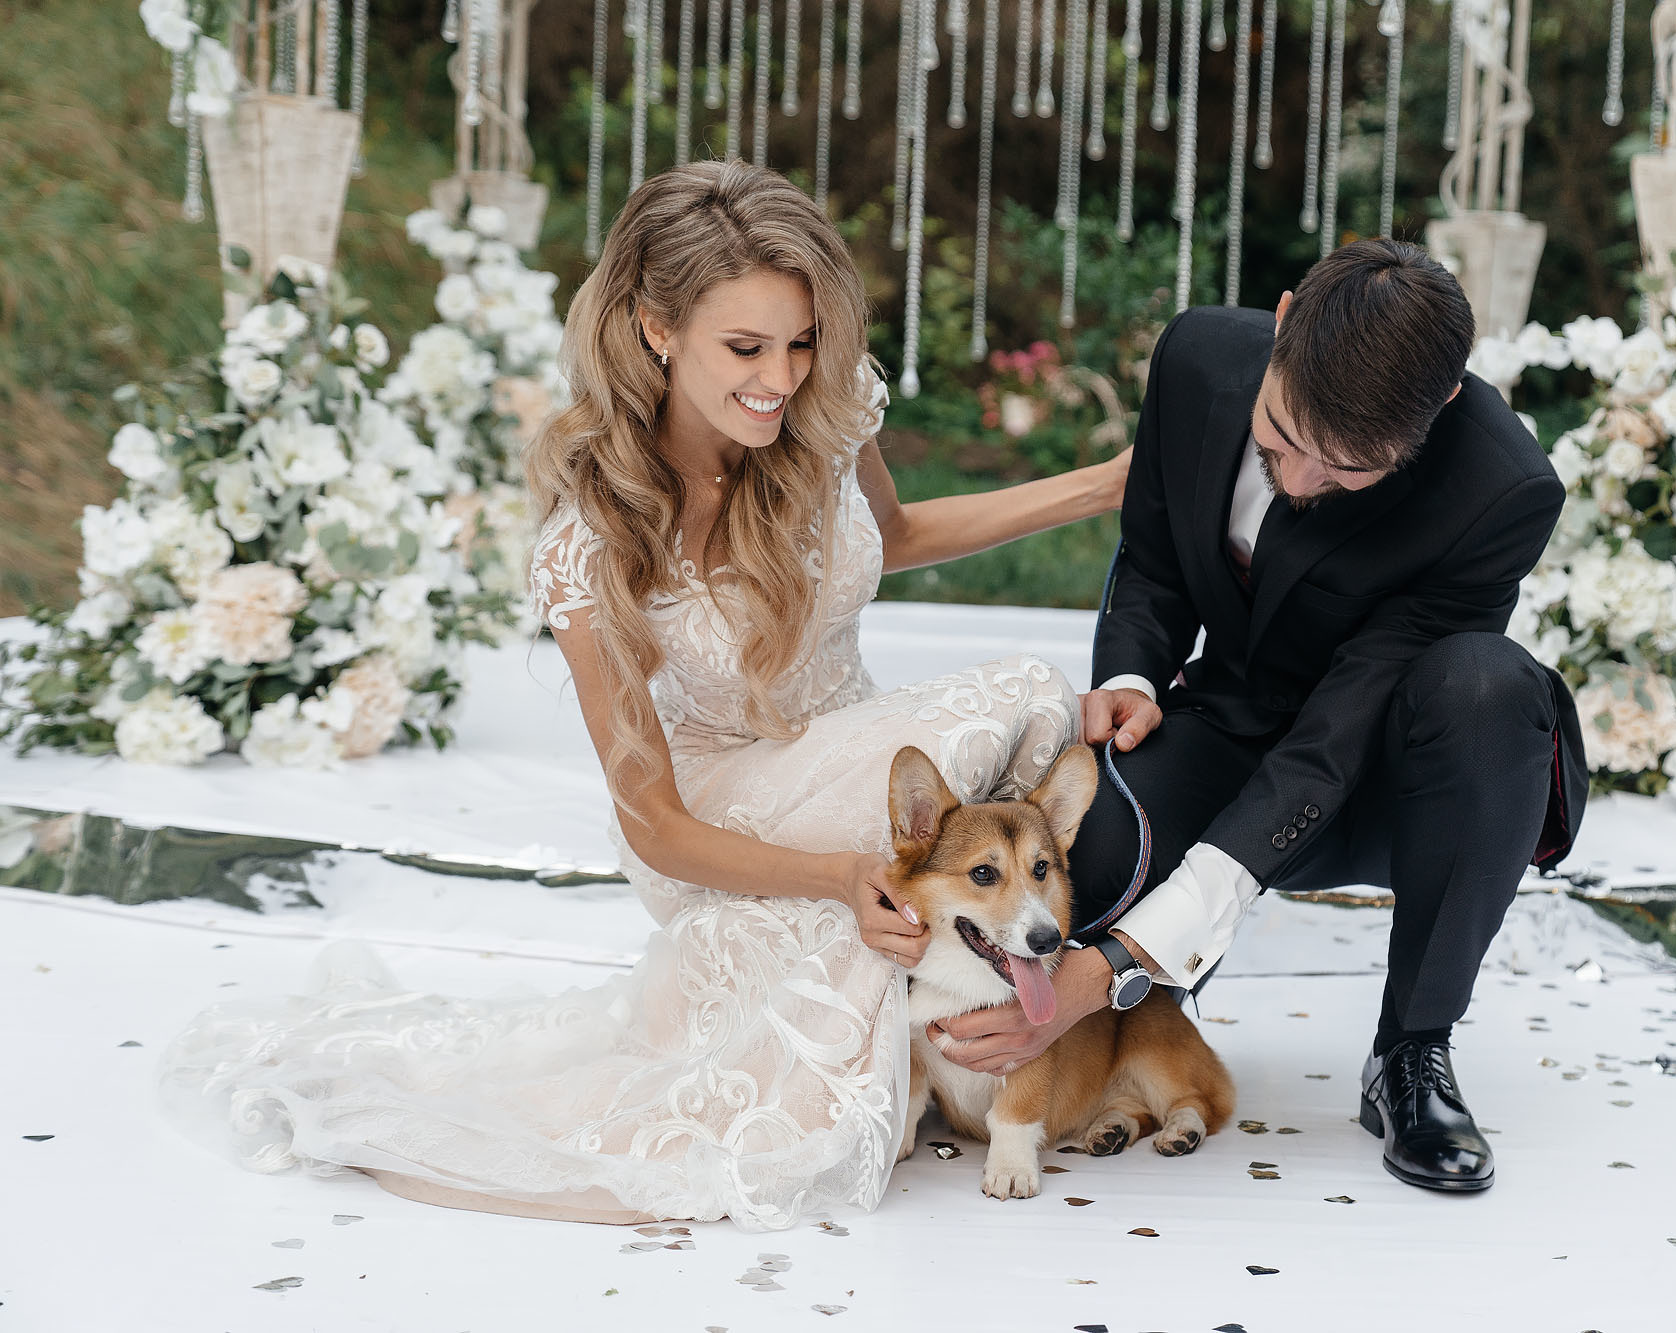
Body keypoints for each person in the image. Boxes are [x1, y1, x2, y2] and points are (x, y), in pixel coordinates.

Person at [157, 160, 1128, 1230]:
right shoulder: (591, 541)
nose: (781, 377)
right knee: (1018, 695)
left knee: (1029, 717)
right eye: (745, 348)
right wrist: (837, 875)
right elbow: (653, 823)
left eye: (802, 341)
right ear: (656, 328)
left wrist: (1105, 485)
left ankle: (1004, 1021)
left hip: (854, 753)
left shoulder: (824, 409)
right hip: (720, 815)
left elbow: (891, 535)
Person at [921, 239, 1589, 1193]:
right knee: (1079, 863)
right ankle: (1046, 1048)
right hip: (1226, 722)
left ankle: (1411, 1050)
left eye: (1346, 469)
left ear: (1439, 405)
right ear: (1281, 324)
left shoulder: (1502, 489)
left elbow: (1332, 741)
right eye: (1280, 436)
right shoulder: (1196, 358)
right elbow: (1153, 555)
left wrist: (1115, 964)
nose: (1302, 481)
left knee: (1493, 687)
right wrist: (1134, 677)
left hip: (1394, 776)